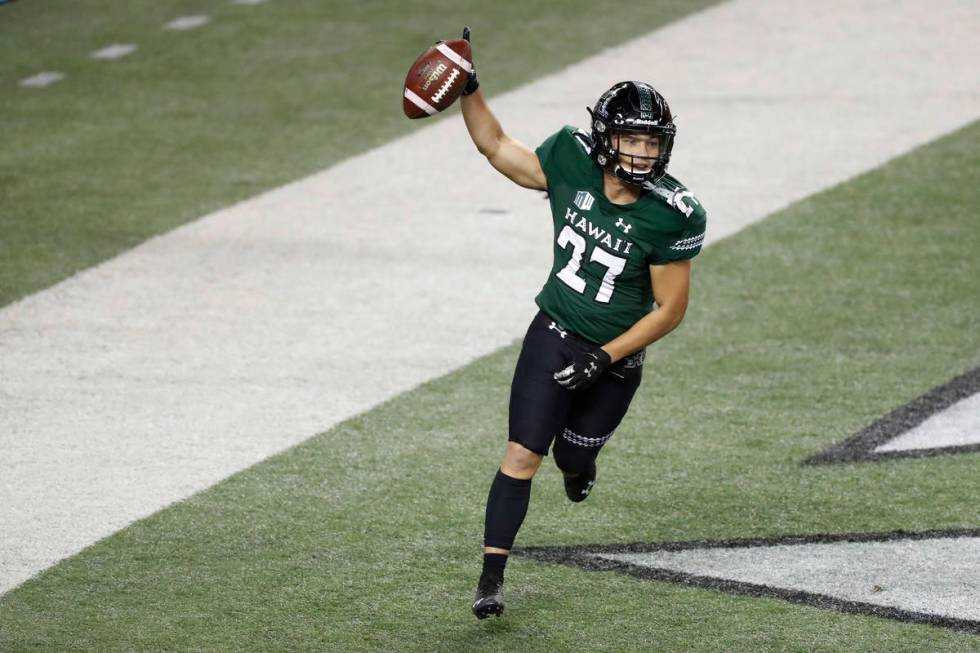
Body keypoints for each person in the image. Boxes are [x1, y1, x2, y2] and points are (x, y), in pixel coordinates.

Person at [456, 28, 707, 619]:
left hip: (615, 359)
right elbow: (496, 146)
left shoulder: (673, 212)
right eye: (631, 139)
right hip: (555, 331)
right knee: (521, 454)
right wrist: (469, 88)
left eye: (652, 142)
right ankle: (490, 580)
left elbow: (671, 309)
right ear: (603, 137)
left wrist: (606, 357)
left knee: (572, 457)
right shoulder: (570, 161)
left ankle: (582, 466)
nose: (643, 153)